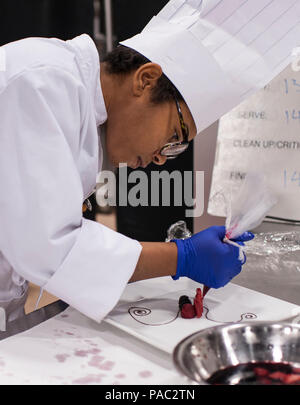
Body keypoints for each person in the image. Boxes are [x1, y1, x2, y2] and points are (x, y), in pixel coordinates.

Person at [1, 0, 294, 324]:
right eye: (173, 136)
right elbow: (50, 248)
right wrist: (182, 258)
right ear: (146, 79)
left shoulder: (84, 115)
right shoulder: (42, 82)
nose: (159, 158)